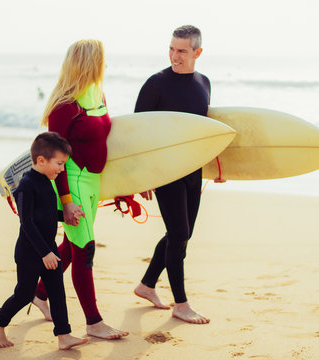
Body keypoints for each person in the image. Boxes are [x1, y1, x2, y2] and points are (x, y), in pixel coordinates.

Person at [31, 39, 129, 340]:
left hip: (94, 182)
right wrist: (67, 202)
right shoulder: (64, 107)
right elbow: (57, 161)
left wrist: (126, 186)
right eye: (102, 59)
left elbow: (105, 142)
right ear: (90, 62)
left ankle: (39, 294)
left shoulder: (97, 94)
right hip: (72, 181)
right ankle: (93, 322)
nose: (106, 65)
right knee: (85, 249)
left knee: (72, 249)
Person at [133, 25, 211, 324]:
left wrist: (218, 166)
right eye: (171, 49)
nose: (174, 56)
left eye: (181, 50)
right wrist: (142, 177)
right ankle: (181, 304)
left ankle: (146, 285)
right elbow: (137, 134)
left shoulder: (204, 82)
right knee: (179, 235)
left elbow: (205, 130)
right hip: (164, 171)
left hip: (194, 169)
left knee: (183, 234)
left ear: (197, 52)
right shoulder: (156, 84)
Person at [0, 132, 89, 350]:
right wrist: (44, 252)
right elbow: (27, 222)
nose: (62, 169)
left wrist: (66, 217)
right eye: (59, 164)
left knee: (57, 292)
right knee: (24, 294)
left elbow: (46, 213)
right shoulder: (26, 184)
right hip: (30, 252)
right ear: (41, 160)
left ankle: (64, 336)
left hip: (48, 248)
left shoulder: (46, 181)